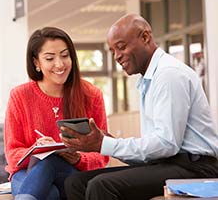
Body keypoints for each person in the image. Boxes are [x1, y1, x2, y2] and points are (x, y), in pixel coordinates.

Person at [61, 14, 218, 200]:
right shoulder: (148, 79)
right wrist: (104, 143)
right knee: (76, 182)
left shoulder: (168, 75)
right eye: (112, 51)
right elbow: (155, 151)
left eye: (121, 47)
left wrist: (105, 144)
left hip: (196, 168)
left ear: (145, 37)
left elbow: (167, 144)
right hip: (167, 163)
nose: (117, 56)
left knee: (102, 185)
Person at [4, 27, 109, 200]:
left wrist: (77, 158)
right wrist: (35, 150)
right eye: (50, 58)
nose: (59, 64)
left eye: (65, 55)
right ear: (36, 62)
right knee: (49, 193)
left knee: (50, 162)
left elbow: (102, 155)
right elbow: (12, 154)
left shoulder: (91, 95)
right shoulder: (20, 96)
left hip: (71, 174)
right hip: (27, 173)